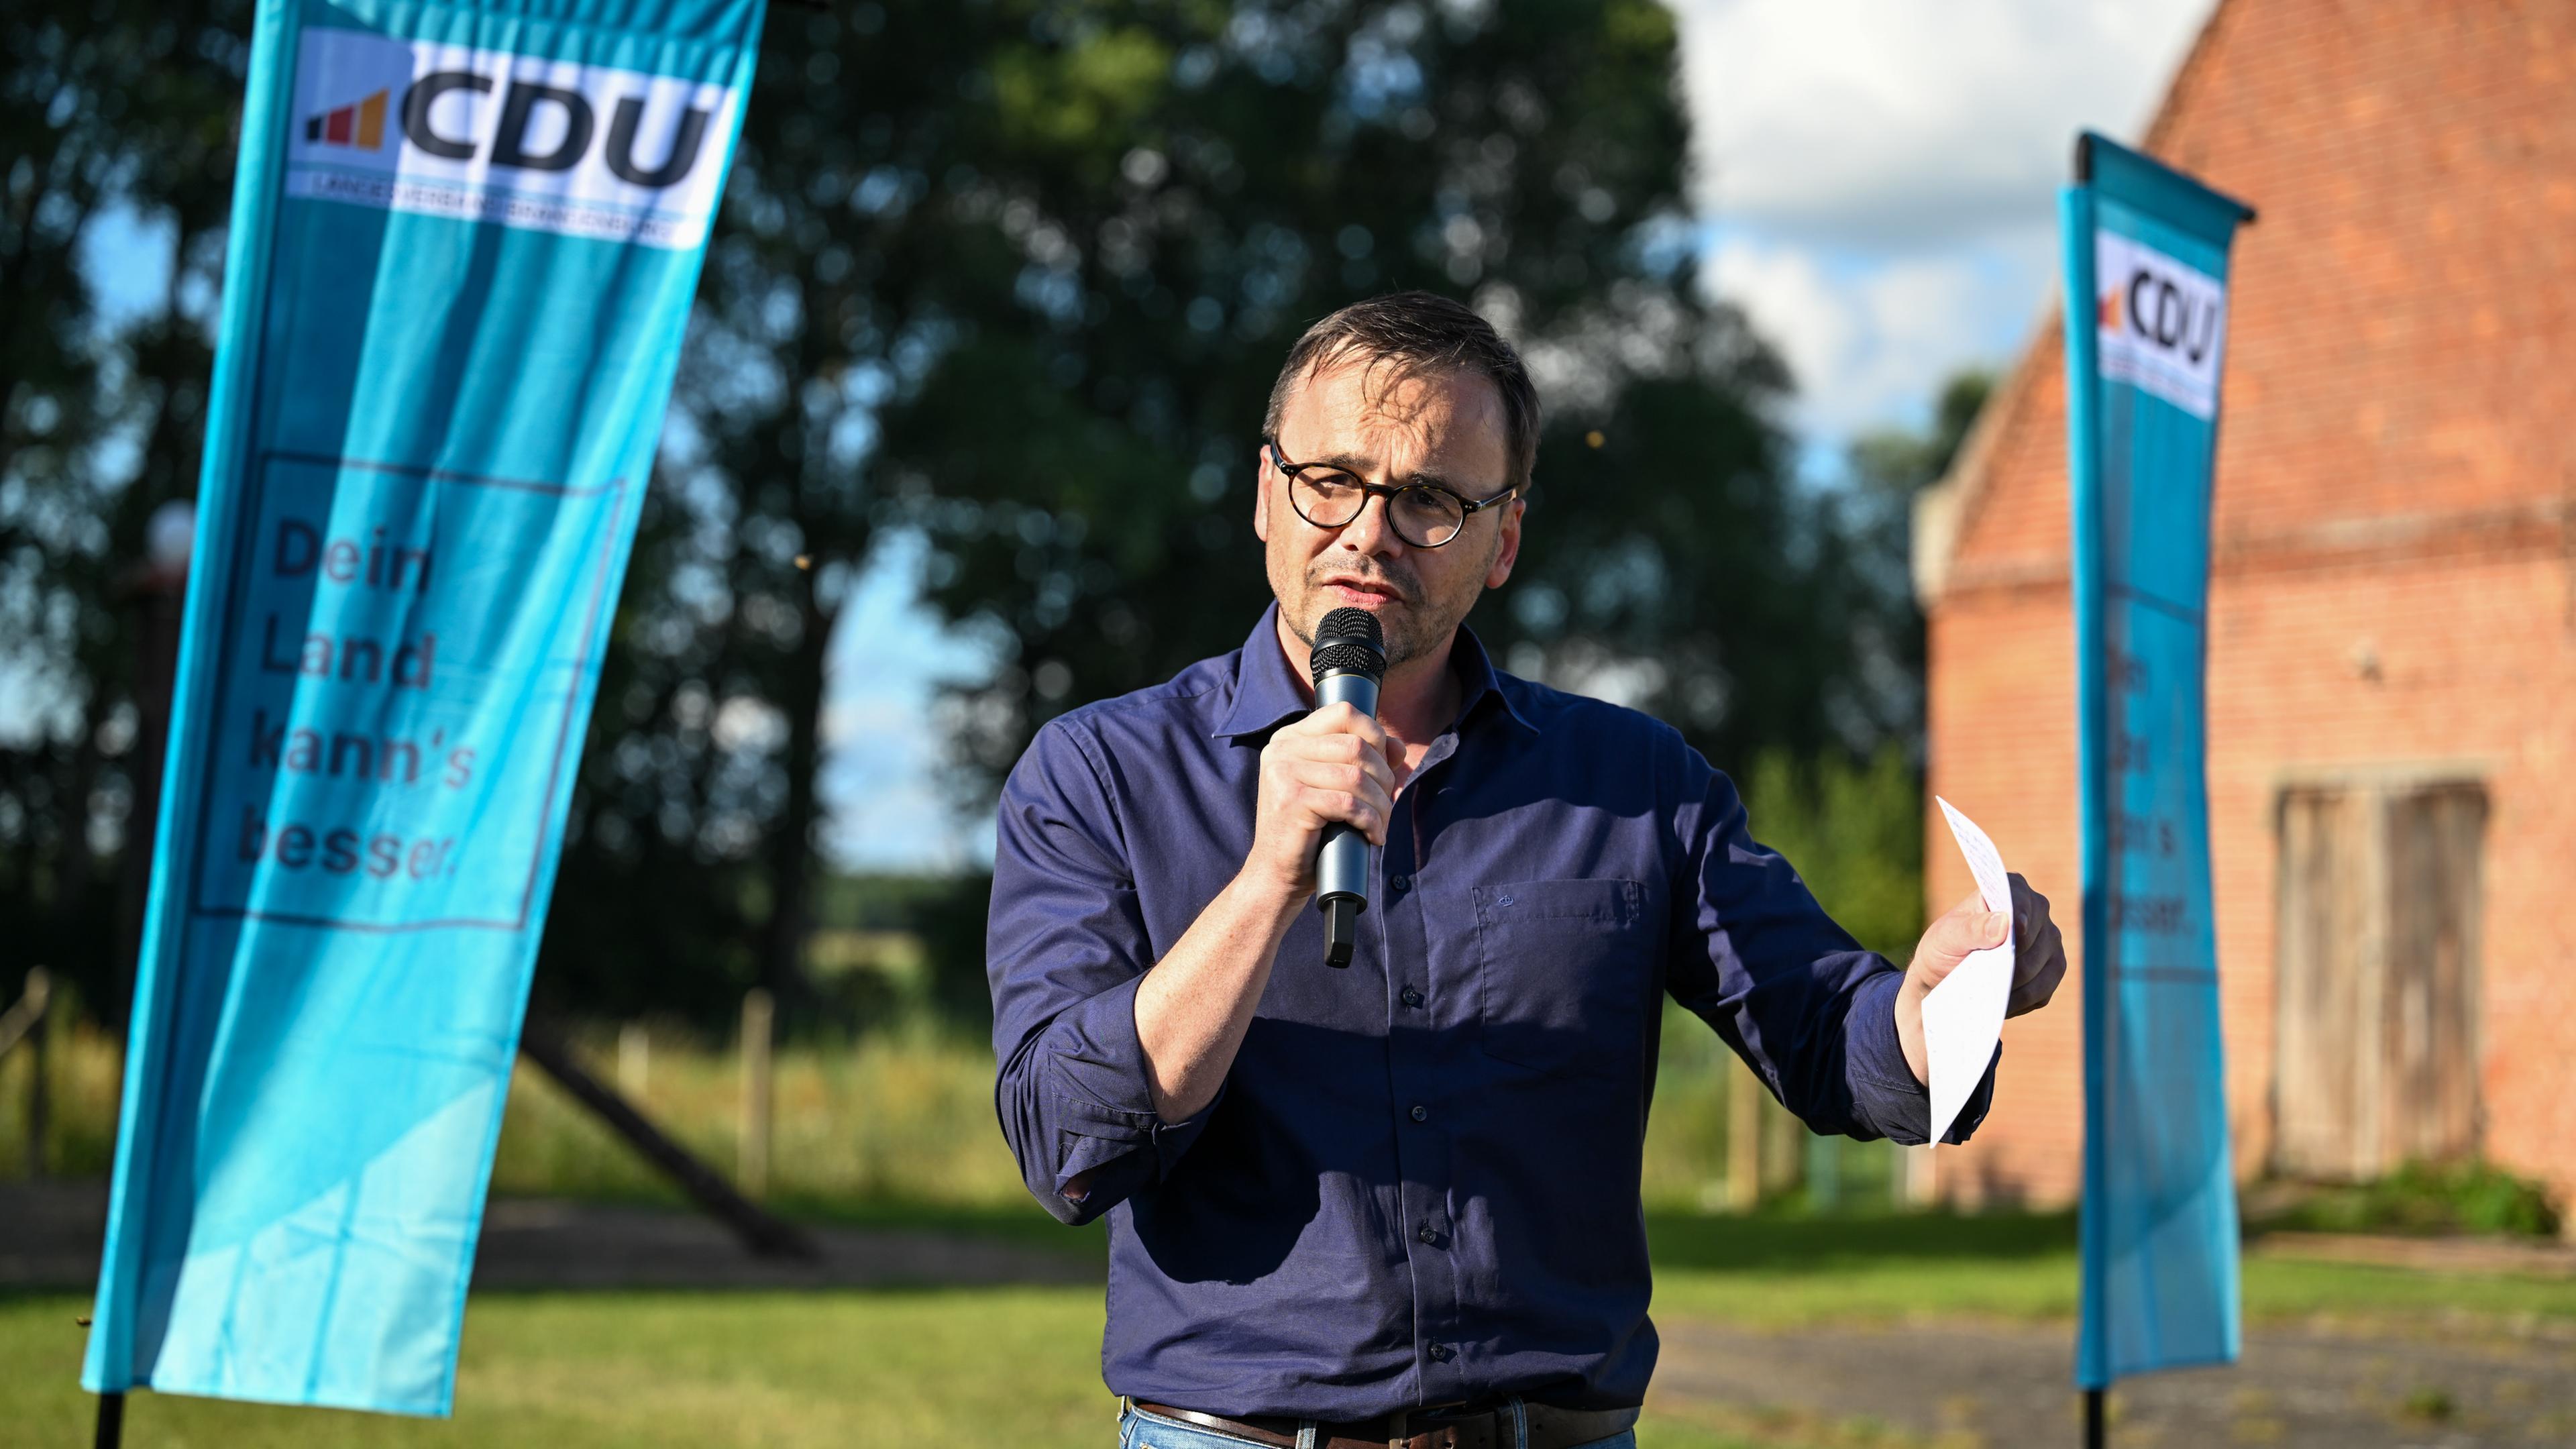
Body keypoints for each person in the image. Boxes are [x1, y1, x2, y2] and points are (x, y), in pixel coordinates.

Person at [988, 292, 2068, 1449]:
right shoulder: (1099, 774)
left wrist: (1938, 1002)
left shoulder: (1636, 784)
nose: (1368, 531)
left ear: (1504, 539)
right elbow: (1070, 1142)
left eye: (1430, 500)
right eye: (1331, 480)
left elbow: (1831, 1039)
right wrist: (1266, 884)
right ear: (1266, 494)